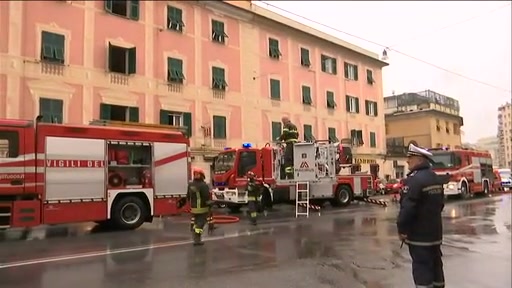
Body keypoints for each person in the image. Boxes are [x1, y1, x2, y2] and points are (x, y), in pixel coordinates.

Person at [397, 144, 446, 288]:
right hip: (435, 234)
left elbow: (408, 208)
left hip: (419, 236)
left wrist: (402, 230)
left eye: (410, 158)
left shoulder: (414, 181)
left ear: (419, 160)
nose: (407, 161)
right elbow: (440, 204)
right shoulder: (435, 178)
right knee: (436, 266)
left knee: (422, 269)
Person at [187, 167, 212, 246]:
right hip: (202, 208)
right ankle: (197, 239)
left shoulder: (191, 184)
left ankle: (195, 233)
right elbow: (206, 197)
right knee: (201, 223)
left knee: (196, 221)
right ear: (202, 176)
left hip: (194, 208)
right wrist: (211, 204)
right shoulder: (203, 185)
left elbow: (188, 196)